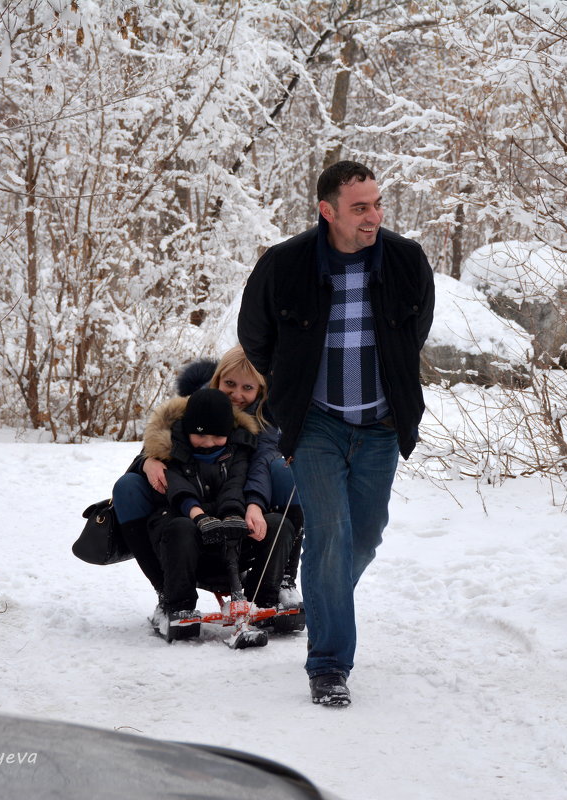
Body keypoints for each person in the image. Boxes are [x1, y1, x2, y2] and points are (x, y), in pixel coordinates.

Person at [238, 160, 435, 705]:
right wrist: (292, 383)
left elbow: (412, 335)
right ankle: (328, 666)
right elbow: (255, 338)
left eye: (376, 204)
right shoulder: (284, 264)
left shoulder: (404, 260)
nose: (374, 216)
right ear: (328, 212)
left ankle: (323, 605)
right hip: (317, 423)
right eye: (360, 207)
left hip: (380, 424)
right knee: (329, 538)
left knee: (364, 537)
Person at [113, 347, 302, 614]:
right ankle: (167, 591)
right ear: (217, 380)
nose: (237, 394)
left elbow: (260, 464)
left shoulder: (265, 417)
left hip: (244, 504)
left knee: (285, 473)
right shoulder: (193, 406)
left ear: (260, 389)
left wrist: (255, 505)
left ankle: (282, 581)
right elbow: (163, 440)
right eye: (229, 384)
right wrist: (149, 460)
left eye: (247, 387)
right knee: (127, 487)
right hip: (188, 513)